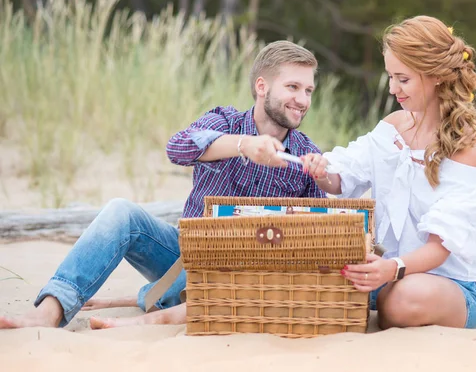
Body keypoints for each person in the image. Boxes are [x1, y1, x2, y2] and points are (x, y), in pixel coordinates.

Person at [0, 40, 326, 330]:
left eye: (308, 91)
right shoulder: (225, 122)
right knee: (120, 212)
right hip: (184, 254)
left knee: (237, 282)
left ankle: (154, 301)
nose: (302, 100)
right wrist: (244, 145)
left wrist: (323, 177)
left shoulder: (305, 154)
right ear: (261, 86)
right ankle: (51, 310)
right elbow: (179, 147)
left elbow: (317, 234)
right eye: (293, 87)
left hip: (243, 272)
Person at [302, 16, 476, 330]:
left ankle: (386, 295)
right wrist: (321, 171)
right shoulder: (393, 127)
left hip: (450, 283)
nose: (393, 89)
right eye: (390, 77)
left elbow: (440, 247)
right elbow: (342, 178)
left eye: (402, 79)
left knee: (401, 303)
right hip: (391, 274)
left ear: (435, 76)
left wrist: (392, 269)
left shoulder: (465, 149)